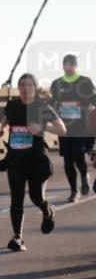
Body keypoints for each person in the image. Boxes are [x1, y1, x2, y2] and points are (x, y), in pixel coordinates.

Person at [0, 73, 67, 251]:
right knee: (16, 199)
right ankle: (18, 238)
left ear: (35, 88)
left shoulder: (42, 106)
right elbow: (7, 117)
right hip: (16, 160)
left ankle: (47, 210)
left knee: (36, 197)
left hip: (36, 160)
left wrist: (42, 127)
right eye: (22, 85)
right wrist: (1, 129)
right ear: (19, 87)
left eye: (29, 85)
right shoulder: (12, 105)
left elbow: (62, 129)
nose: (26, 88)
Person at [50, 54, 95, 202]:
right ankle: (74, 191)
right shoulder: (57, 84)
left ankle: (84, 175)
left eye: (72, 64)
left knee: (78, 154)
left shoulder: (85, 82)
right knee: (68, 161)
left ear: (76, 66)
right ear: (63, 66)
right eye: (66, 64)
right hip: (64, 128)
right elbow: (51, 103)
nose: (69, 67)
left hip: (81, 126)